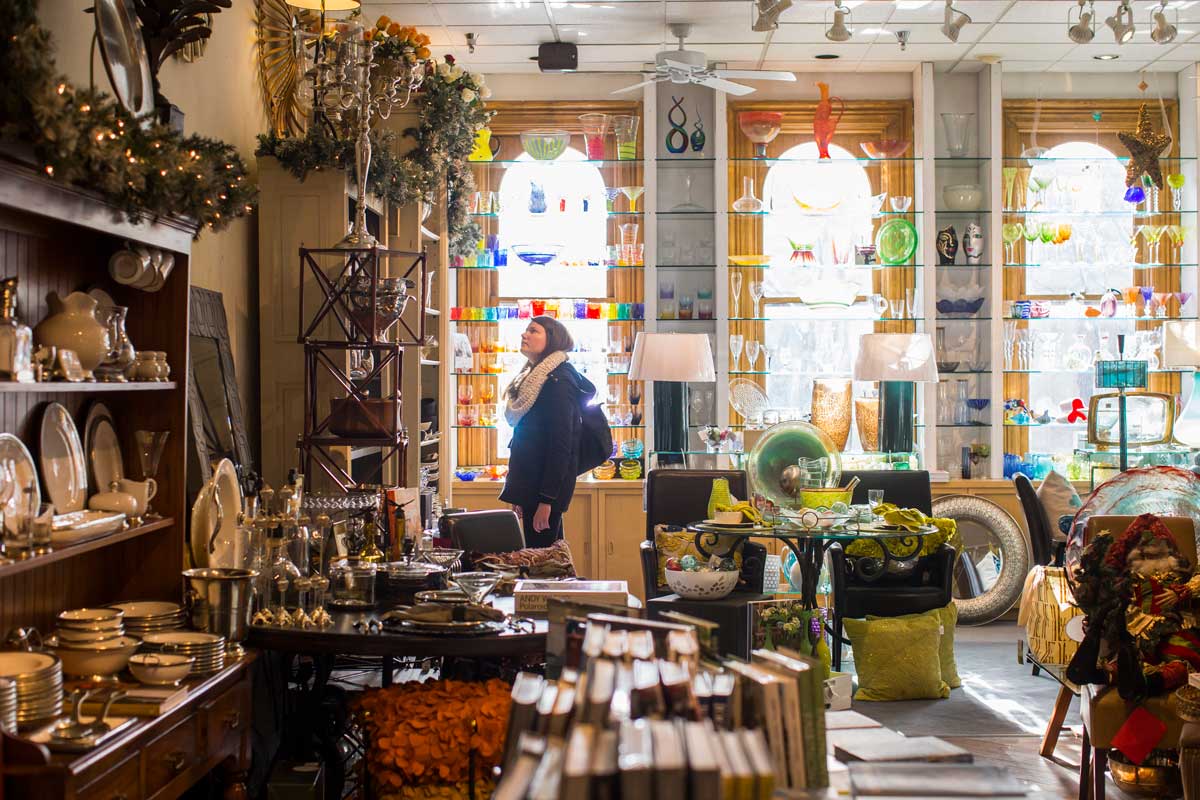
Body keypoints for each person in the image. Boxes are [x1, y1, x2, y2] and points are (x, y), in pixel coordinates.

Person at [500, 316, 595, 547]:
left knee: (541, 567)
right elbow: (527, 438)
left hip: (544, 492)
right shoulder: (536, 378)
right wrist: (521, 493)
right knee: (551, 561)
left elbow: (561, 445)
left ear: (552, 340)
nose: (525, 335)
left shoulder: (558, 381)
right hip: (533, 487)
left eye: (533, 331)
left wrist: (547, 501)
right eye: (526, 330)